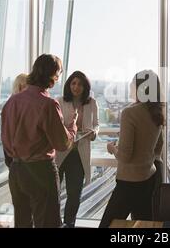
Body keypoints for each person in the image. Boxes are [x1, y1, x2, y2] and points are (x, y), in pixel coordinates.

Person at [1, 54, 78, 228]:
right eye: (58, 73)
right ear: (51, 75)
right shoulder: (48, 104)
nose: (58, 78)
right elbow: (62, 143)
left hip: (16, 171)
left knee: (22, 222)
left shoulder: (11, 102)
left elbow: (5, 139)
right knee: (48, 223)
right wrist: (72, 127)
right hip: (41, 171)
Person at [99, 70, 164, 228]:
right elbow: (158, 146)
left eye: (133, 83)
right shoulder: (157, 112)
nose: (130, 85)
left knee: (108, 226)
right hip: (149, 178)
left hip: (129, 182)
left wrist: (112, 148)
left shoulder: (130, 112)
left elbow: (125, 156)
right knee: (143, 227)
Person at [55, 71, 99, 228]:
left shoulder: (91, 102)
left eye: (80, 84)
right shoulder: (59, 101)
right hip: (60, 153)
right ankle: (55, 223)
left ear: (85, 86)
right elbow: (54, 125)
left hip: (79, 154)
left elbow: (96, 124)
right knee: (54, 192)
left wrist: (95, 132)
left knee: (74, 194)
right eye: (73, 83)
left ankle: (69, 224)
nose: (76, 87)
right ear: (68, 85)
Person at [3, 73, 29, 168]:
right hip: (17, 156)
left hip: (14, 155)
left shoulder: (10, 104)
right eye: (27, 87)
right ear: (20, 87)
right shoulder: (15, 105)